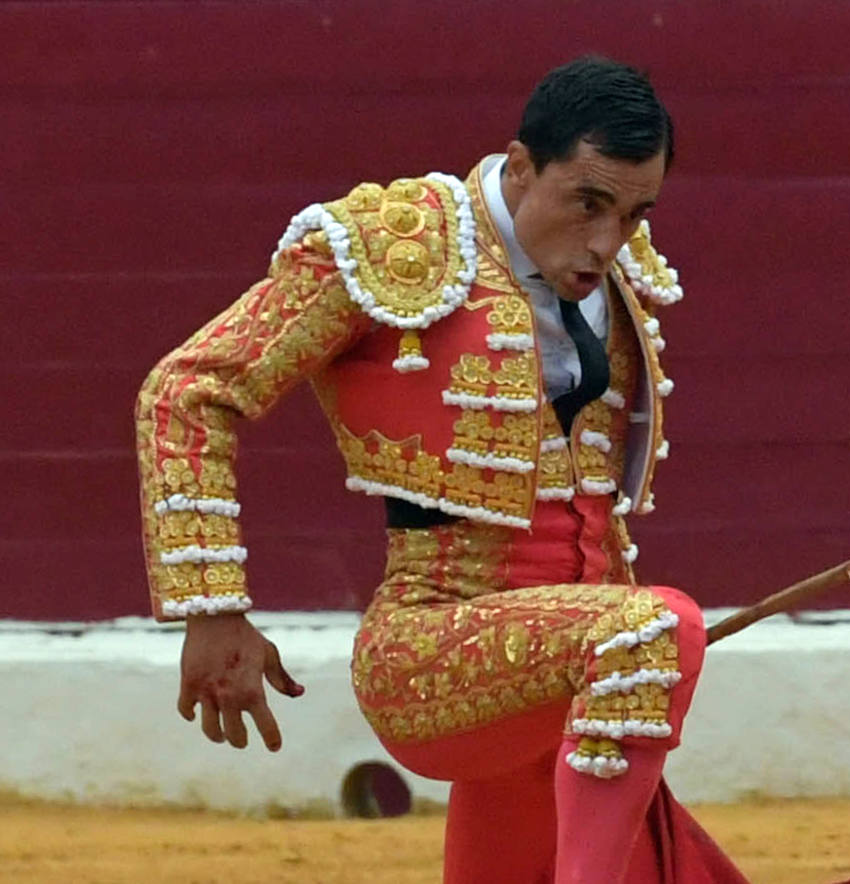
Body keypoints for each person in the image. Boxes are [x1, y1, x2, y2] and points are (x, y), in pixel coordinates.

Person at [136, 55, 751, 884]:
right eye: (589, 203)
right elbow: (189, 389)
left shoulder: (620, 274)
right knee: (653, 626)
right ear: (523, 166)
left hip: (568, 666)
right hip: (428, 646)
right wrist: (211, 609)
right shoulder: (390, 245)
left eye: (636, 214)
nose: (609, 242)